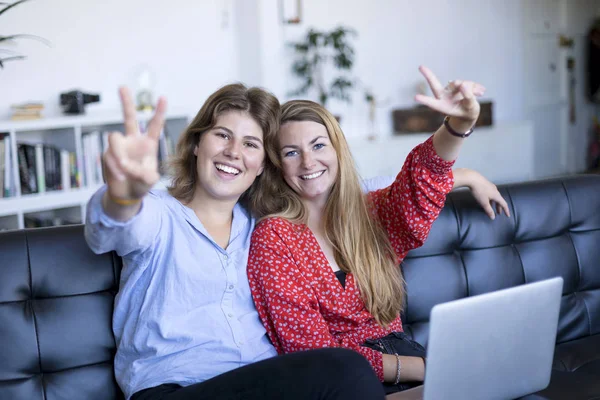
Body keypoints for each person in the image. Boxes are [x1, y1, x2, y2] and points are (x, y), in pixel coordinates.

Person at [84, 83, 387, 400]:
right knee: (346, 369)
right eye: (222, 135)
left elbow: (368, 190)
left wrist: (444, 140)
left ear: (261, 167)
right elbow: (112, 227)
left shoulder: (265, 226)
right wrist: (123, 194)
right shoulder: (159, 214)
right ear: (197, 143)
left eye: (251, 144)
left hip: (264, 384)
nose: (234, 152)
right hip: (173, 389)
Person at [247, 66, 496, 395]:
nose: (308, 162)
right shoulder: (275, 237)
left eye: (319, 146)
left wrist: (457, 126)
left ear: (338, 150)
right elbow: (312, 352)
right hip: (345, 384)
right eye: (292, 152)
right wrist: (426, 367)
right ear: (278, 166)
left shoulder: (373, 211)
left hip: (415, 364)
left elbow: (423, 179)